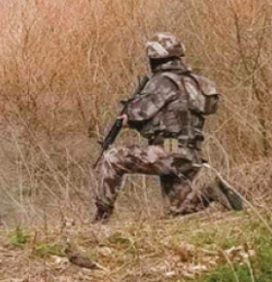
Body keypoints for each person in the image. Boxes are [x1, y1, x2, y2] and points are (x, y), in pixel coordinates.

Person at [93, 33, 243, 223]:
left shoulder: (162, 81)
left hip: (169, 150)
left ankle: (101, 217)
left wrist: (127, 118)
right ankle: (208, 190)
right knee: (178, 209)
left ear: (154, 58)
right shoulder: (196, 82)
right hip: (190, 152)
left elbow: (139, 113)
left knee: (113, 158)